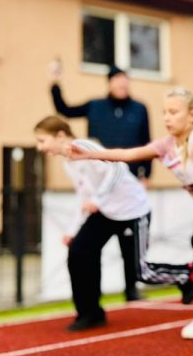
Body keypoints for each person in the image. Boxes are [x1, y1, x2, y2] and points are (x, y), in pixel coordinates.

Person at [70, 88, 193, 340]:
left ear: (191, 116)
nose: (167, 118)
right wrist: (91, 154)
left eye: (173, 112)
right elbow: (127, 155)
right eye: (164, 113)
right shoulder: (165, 146)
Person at [34, 116, 193, 332]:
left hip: (132, 212)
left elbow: (116, 169)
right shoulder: (67, 163)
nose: (40, 147)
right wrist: (72, 230)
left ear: (60, 136)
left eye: (42, 141)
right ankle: (90, 313)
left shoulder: (84, 147)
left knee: (140, 272)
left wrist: (97, 199)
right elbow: (84, 196)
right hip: (106, 212)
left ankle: (186, 275)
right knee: (78, 252)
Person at [50, 60, 152, 301]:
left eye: (126, 81)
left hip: (128, 189)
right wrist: (54, 82)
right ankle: (93, 297)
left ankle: (131, 290)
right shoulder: (95, 106)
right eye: (118, 81)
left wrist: (145, 175)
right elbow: (64, 109)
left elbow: (147, 141)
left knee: (130, 246)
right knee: (89, 245)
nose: (122, 85)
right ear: (109, 83)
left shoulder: (139, 109)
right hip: (101, 190)